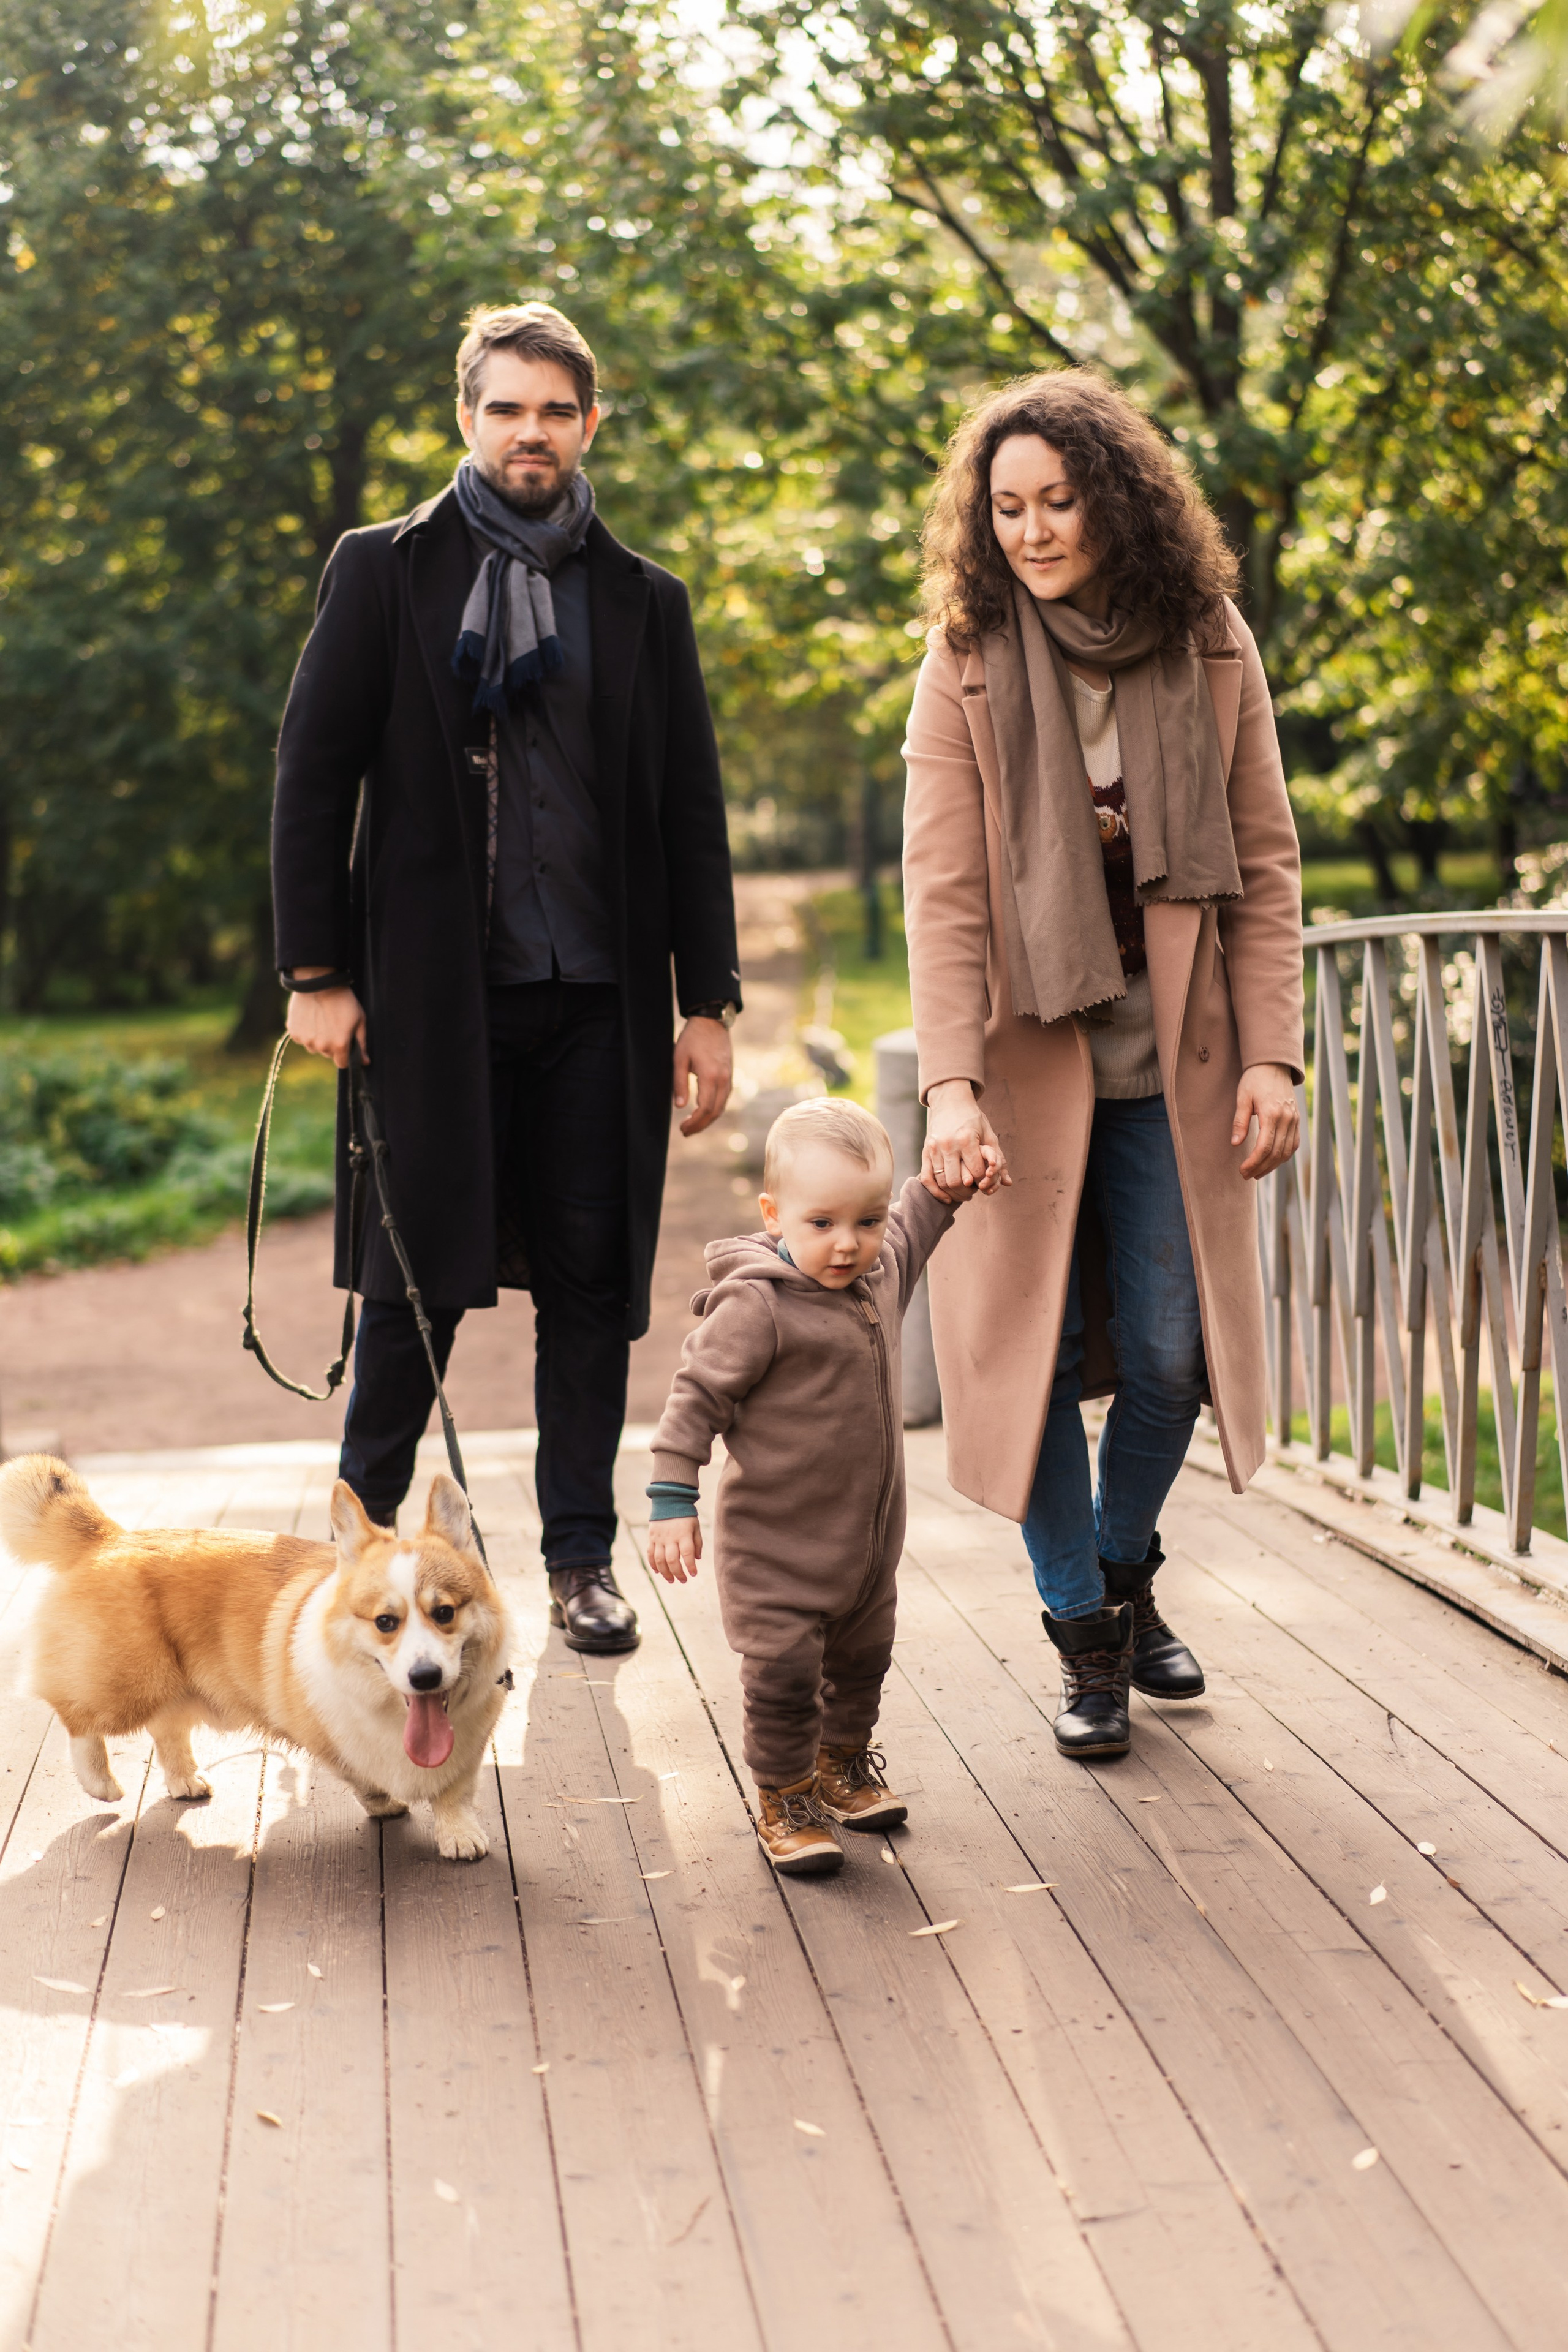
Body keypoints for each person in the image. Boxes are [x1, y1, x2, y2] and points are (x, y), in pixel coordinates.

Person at [271, 302, 741, 1656]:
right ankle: (342, 1572)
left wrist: (702, 999)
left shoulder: (642, 600)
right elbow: (311, 777)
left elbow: (688, 812)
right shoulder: (384, 571)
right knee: (411, 1286)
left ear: (588, 424)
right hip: (431, 1004)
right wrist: (315, 969)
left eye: (554, 409)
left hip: (597, 999)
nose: (528, 431)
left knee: (592, 1286)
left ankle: (579, 1560)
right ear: (464, 419)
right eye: (503, 408)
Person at [902, 370, 1303, 1760]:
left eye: (1057, 498)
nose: (1029, 529)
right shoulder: (961, 656)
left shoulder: (1206, 639)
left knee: (1170, 1353)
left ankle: (1122, 1570)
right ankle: (1084, 1633)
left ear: (1114, 495)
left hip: (1173, 1066)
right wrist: (946, 1081)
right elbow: (943, 888)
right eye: (1004, 506)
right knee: (1017, 1364)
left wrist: (1277, 1057)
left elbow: (1261, 865)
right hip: (1019, 1070)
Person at [644, 1098, 995, 1875]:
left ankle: (840, 1766)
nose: (849, 1245)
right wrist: (673, 1501)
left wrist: (955, 1178)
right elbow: (695, 1398)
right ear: (774, 1215)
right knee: (783, 1678)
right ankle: (784, 1795)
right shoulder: (757, 1306)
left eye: (865, 1222)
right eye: (822, 1224)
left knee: (862, 1662)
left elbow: (919, 1216)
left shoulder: (879, 1272)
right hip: (776, 1551)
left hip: (866, 1552)